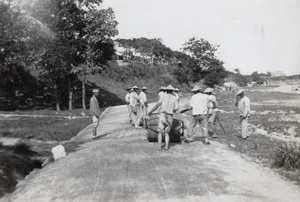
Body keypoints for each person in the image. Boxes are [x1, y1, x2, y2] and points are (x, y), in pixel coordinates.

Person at [148, 85, 179, 151]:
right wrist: (170, 109)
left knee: (160, 132)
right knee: (167, 133)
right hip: (170, 116)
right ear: (172, 91)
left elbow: (157, 105)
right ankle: (166, 146)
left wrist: (151, 111)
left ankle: (159, 147)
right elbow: (176, 108)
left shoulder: (163, 96)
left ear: (166, 90)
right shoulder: (175, 98)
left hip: (162, 115)